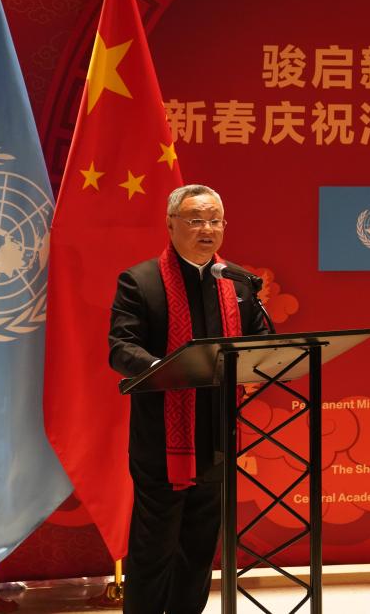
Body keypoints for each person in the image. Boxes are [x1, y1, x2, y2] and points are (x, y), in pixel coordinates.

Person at [109, 184, 269, 614]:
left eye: (215, 220)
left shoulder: (237, 282)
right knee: (155, 546)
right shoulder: (140, 281)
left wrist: (260, 364)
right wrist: (165, 367)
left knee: (199, 547)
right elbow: (121, 348)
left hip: (217, 433)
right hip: (162, 438)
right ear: (171, 224)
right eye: (196, 220)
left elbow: (261, 340)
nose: (207, 229)